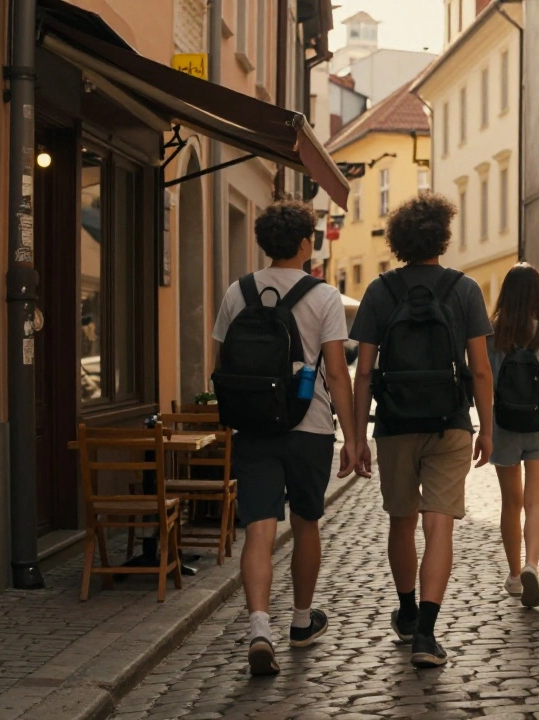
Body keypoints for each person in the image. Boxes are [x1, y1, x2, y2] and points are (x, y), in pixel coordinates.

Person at [210, 200, 356, 676]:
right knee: (307, 521)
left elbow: (219, 366)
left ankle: (258, 628)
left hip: (253, 427)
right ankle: (299, 621)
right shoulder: (324, 296)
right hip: (308, 427)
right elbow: (336, 372)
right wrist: (353, 435)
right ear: (303, 244)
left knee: (258, 526)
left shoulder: (238, 292)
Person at [349, 192, 494, 668]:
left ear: (398, 240)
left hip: (393, 422)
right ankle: (427, 636)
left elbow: (364, 371)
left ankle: (408, 610)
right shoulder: (464, 289)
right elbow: (480, 370)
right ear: (443, 236)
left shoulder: (379, 291)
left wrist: (354, 434)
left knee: (401, 520)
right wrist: (486, 428)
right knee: (439, 525)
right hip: (450, 420)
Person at [487, 264, 539, 608]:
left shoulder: (493, 334)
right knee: (535, 502)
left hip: (503, 423)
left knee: (510, 502)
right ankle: (533, 562)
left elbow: (483, 380)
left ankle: (515, 574)